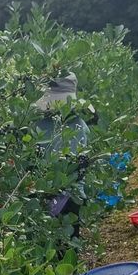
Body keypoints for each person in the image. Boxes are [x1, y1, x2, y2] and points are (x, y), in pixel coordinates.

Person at [33, 72, 90, 237]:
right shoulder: (80, 124)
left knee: (45, 240)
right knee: (67, 241)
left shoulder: (37, 124)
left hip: (45, 191)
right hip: (70, 195)